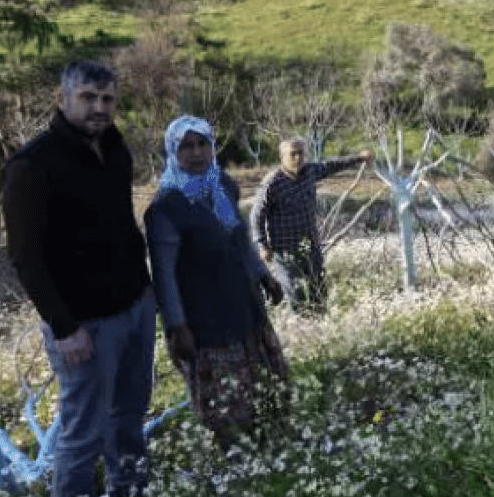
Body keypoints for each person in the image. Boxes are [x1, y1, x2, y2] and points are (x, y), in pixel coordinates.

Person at [0, 60, 155, 497]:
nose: (99, 108)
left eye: (107, 99)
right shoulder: (33, 165)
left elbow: (121, 224)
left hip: (134, 306)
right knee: (83, 430)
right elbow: (27, 257)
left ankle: (131, 496)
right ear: (61, 99)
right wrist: (65, 329)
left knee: (129, 412)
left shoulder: (116, 150)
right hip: (85, 324)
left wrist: (146, 293)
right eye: (88, 97)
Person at [145, 116, 290, 448]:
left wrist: (264, 275)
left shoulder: (222, 184)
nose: (196, 153)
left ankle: (270, 447)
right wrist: (176, 326)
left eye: (203, 144)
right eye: (186, 146)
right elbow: (164, 274)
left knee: (268, 382)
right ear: (172, 152)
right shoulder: (166, 207)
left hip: (243, 302)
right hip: (204, 316)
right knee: (224, 403)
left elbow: (240, 235)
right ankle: (234, 458)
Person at [249, 138, 372, 314]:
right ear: (282, 156)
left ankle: (321, 328)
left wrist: (359, 158)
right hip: (285, 251)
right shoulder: (272, 183)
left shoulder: (310, 171)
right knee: (296, 295)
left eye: (301, 153)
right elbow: (256, 215)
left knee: (319, 292)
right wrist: (262, 244)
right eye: (292, 154)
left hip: (311, 245)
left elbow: (332, 165)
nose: (298, 158)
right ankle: (300, 329)